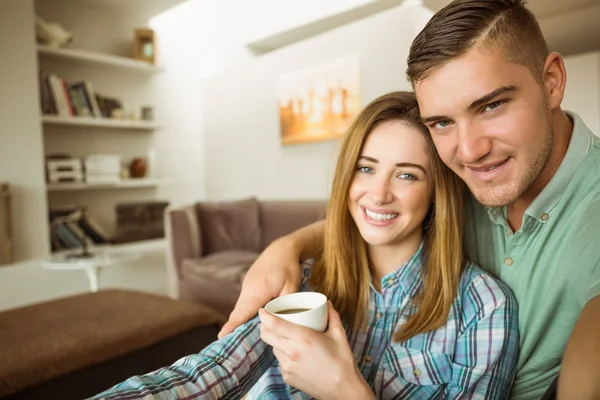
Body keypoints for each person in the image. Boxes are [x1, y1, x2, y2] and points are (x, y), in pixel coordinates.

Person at [218, 1, 600, 399]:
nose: (469, 151)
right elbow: (381, 215)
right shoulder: (462, 184)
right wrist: (286, 247)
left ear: (552, 81)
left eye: (491, 105)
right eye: (442, 122)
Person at [90, 91, 519, 400]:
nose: (378, 193)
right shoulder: (309, 278)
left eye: (406, 175)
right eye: (365, 169)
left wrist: (345, 391)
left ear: (435, 193)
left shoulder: (483, 309)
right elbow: (209, 372)